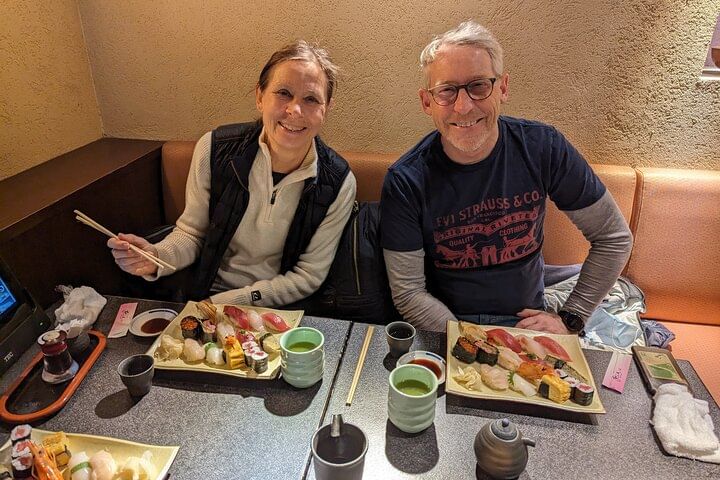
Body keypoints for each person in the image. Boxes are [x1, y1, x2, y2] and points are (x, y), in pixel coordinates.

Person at [380, 21, 633, 334]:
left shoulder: (543, 148)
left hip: (529, 324)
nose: (463, 106)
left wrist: (571, 319)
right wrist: (469, 341)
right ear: (427, 102)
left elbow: (613, 237)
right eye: (446, 91)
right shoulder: (406, 180)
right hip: (446, 326)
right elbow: (408, 292)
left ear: (502, 88)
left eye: (478, 86)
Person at [108, 40, 356, 307]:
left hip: (277, 307)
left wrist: (231, 302)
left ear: (326, 109)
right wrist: (156, 257)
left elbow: (308, 275)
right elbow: (192, 234)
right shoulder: (215, 149)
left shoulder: (338, 182)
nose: (295, 110)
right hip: (206, 292)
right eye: (284, 93)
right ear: (260, 97)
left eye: (311, 99)